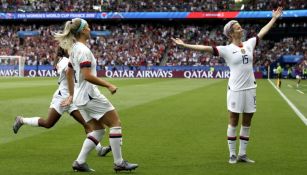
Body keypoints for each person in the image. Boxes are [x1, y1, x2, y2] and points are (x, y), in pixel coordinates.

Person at [172, 7, 283, 164]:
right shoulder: (226, 50)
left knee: (247, 121)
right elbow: (205, 49)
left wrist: (273, 19)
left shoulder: (249, 43)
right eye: (238, 27)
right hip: (235, 89)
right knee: (233, 120)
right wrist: (185, 46)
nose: (241, 28)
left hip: (250, 88)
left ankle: (242, 154)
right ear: (231, 33)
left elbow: (262, 33)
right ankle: (232, 154)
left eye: (240, 26)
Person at [54, 18, 138, 172]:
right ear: (83, 30)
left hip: (80, 98)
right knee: (115, 123)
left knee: (98, 131)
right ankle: (119, 163)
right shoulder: (84, 50)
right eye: (88, 26)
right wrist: (108, 85)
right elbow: (86, 75)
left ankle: (79, 162)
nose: (90, 29)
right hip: (89, 95)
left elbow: (69, 72)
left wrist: (72, 95)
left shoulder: (74, 49)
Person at [12, 47, 111, 157]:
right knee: (48, 123)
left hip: (72, 98)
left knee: (86, 124)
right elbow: (68, 71)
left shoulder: (70, 60)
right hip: (62, 98)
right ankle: (21, 120)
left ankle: (99, 149)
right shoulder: (64, 61)